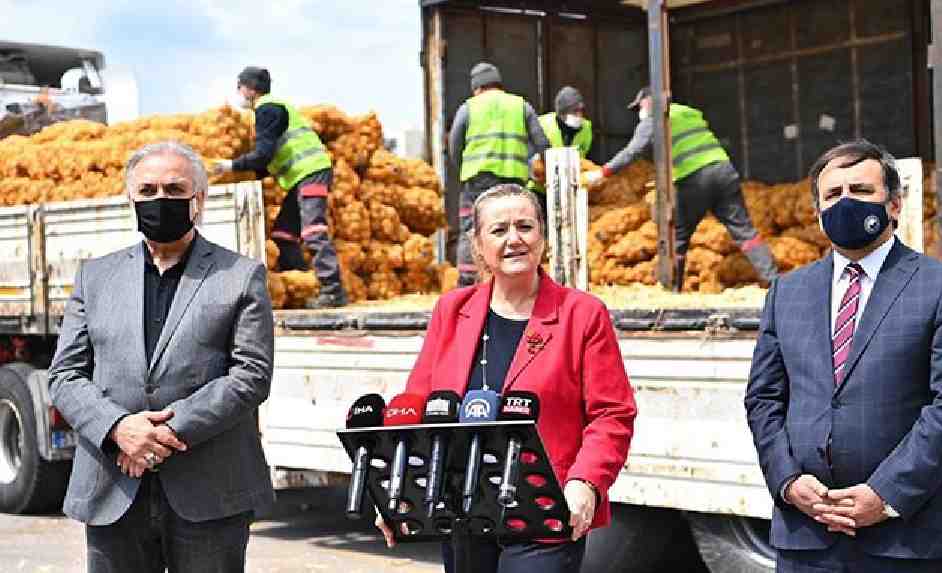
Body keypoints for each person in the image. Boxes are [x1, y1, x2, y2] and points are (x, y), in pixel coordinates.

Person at [745, 140, 942, 572]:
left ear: (894, 204)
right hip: (808, 541)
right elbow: (763, 399)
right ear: (818, 211)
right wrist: (788, 481)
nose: (845, 202)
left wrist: (886, 494)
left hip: (908, 541)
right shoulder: (787, 292)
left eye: (860, 190)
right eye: (833, 194)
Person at [375, 184, 637, 573]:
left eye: (525, 227)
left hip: (545, 514)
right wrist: (398, 491)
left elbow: (612, 414)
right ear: (479, 246)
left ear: (543, 238)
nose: (514, 239)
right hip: (462, 509)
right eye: (499, 230)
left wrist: (585, 483)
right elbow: (418, 406)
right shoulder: (452, 310)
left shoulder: (582, 314)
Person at [50, 141, 276, 572]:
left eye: (174, 190)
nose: (160, 199)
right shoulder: (95, 277)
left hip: (209, 490)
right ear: (131, 199)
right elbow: (65, 375)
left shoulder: (240, 276)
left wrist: (163, 433)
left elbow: (251, 375)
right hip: (114, 487)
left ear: (199, 200)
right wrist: (118, 428)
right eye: (148, 190)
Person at [584, 87, 777, 290]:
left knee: (677, 236)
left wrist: (602, 173)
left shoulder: (655, 119)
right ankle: (774, 280)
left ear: (648, 102)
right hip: (724, 171)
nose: (639, 113)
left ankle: (673, 289)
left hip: (695, 179)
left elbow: (633, 151)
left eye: (639, 107)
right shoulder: (687, 113)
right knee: (745, 232)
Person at [213, 66, 348, 307]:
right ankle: (303, 284)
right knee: (283, 234)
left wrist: (230, 166)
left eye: (239, 87)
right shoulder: (272, 109)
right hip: (301, 177)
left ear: (250, 89)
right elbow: (270, 158)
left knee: (313, 230)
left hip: (311, 173)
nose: (238, 92)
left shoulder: (268, 109)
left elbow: (264, 154)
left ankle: (333, 291)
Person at [449, 62, 551, 287]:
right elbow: (543, 143)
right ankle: (518, 276)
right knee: (516, 228)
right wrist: (546, 172)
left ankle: (468, 282)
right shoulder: (520, 106)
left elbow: (454, 146)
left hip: (478, 182)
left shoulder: (469, 107)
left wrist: (464, 169)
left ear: (476, 87)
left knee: (472, 229)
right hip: (514, 183)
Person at [526, 85, 593, 202]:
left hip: (568, 188)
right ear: (562, 112)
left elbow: (583, 155)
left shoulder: (586, 128)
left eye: (580, 111)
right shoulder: (542, 124)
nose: (579, 115)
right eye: (574, 111)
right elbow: (528, 155)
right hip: (539, 188)